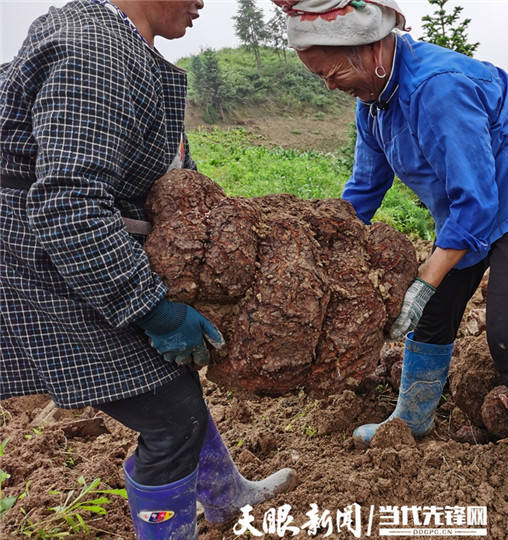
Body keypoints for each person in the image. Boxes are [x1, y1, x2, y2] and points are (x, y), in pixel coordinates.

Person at [275, 1, 508, 539]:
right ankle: (412, 418)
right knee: (433, 308)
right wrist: (326, 245)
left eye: (334, 72)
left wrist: (426, 276)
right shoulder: (373, 101)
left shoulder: (436, 87)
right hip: (472, 187)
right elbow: (364, 191)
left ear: (374, 49)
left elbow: (478, 199)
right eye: (320, 77)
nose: (330, 86)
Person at [0, 1, 295, 538]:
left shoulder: (114, 41)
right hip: (42, 263)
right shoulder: (97, 52)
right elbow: (70, 202)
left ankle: (228, 497)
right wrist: (149, 308)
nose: (204, 2)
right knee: (170, 417)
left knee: (172, 381)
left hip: (65, 253)